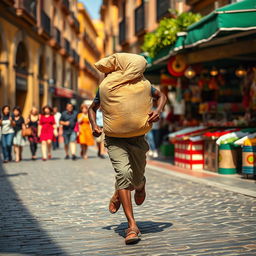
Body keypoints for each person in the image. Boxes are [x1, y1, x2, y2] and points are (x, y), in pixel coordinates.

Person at [88, 53, 167, 245]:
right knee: (123, 173)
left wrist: (158, 111)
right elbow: (92, 108)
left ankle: (133, 187)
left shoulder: (144, 85)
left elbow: (161, 96)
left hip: (138, 139)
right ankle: (132, 226)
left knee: (136, 179)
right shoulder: (106, 86)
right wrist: (94, 127)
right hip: (114, 140)